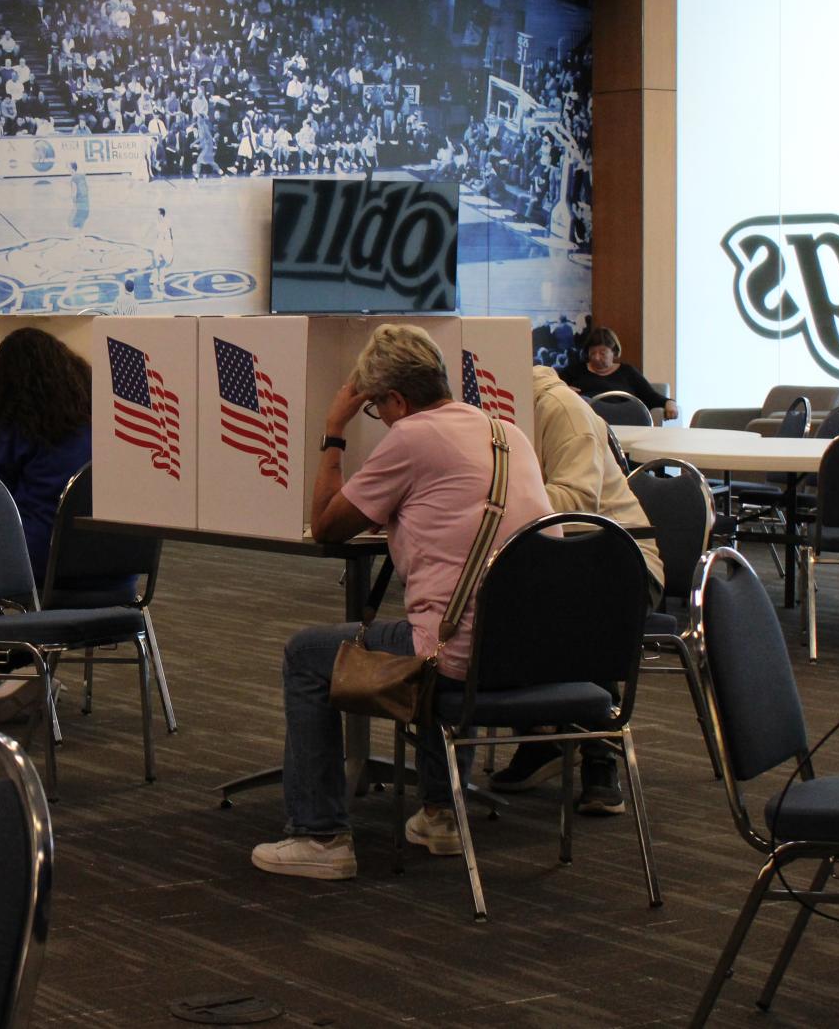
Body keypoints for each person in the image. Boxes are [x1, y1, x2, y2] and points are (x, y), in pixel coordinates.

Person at [252, 324, 552, 881]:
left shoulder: (413, 437)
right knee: (447, 620)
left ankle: (319, 837)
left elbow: (328, 525)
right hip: (531, 652)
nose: (381, 421)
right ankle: (441, 811)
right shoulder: (509, 433)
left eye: (377, 409)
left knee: (308, 654)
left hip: (457, 656)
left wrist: (335, 431)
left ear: (394, 399)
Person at [486, 367, 663, 814]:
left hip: (624, 558)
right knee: (484, 600)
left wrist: (496, 497)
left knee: (576, 600)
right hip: (550, 556)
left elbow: (578, 502)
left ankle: (599, 754)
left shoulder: (563, 410)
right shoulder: (493, 409)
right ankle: (538, 736)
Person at [0, 327, 126, 719]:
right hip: (120, 572)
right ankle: (21, 663)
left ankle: (6, 660)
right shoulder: (108, 428)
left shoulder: (15, 431)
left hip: (41, 566)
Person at [561, 326, 676, 420]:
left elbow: (650, 396)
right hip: (586, 423)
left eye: (602, 353)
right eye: (592, 353)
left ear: (614, 352)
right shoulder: (575, 371)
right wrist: (563, 390)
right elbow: (551, 387)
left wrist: (669, 403)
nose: (596, 357)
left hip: (624, 422)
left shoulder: (628, 372)